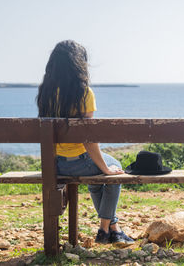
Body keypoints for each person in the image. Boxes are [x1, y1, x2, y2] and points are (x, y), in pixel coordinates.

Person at [36, 40, 134, 246]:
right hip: (80, 161)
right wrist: (106, 169)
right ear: (79, 64)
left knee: (99, 174)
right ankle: (104, 228)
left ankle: (113, 228)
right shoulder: (84, 93)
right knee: (115, 170)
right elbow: (88, 140)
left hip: (55, 164)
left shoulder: (45, 93)